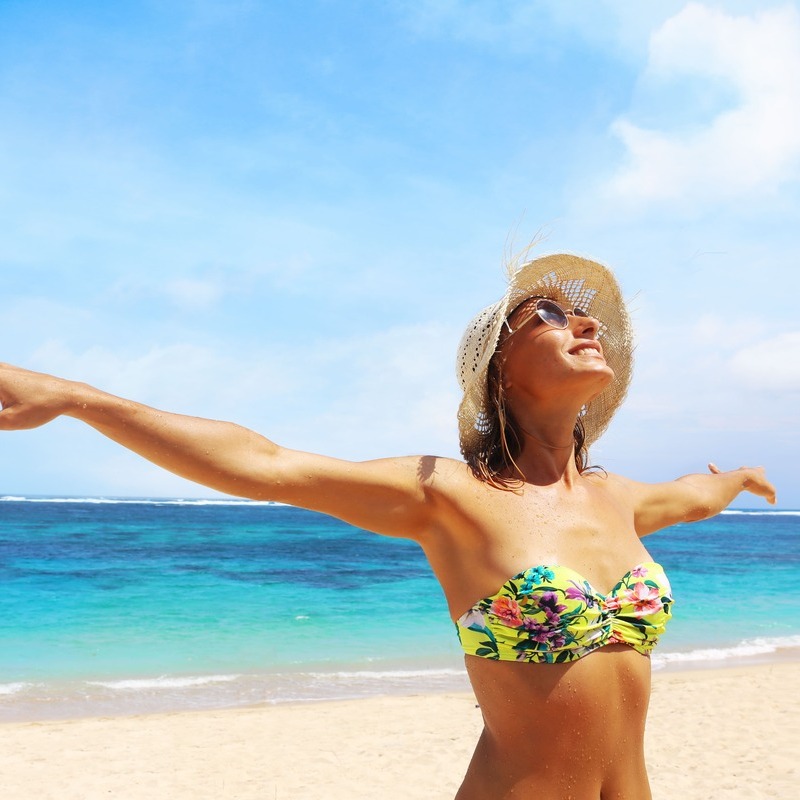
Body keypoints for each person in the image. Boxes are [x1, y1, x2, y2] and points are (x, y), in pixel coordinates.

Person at [0, 252, 775, 799]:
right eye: (551, 314)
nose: (586, 326)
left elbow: (692, 494)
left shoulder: (624, 501)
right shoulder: (449, 495)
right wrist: (81, 400)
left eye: (590, 319)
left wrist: (735, 478)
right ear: (500, 367)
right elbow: (262, 463)